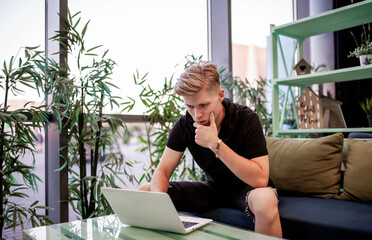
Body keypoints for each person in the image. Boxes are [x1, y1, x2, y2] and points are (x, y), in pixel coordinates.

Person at [139, 61, 282, 237]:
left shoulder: (246, 119)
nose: (197, 115)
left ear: (220, 95)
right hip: (212, 189)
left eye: (203, 105)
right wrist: (159, 203)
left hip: (247, 190)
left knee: (265, 200)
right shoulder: (184, 124)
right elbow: (163, 170)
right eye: (190, 106)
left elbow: (260, 179)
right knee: (146, 192)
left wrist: (216, 144)